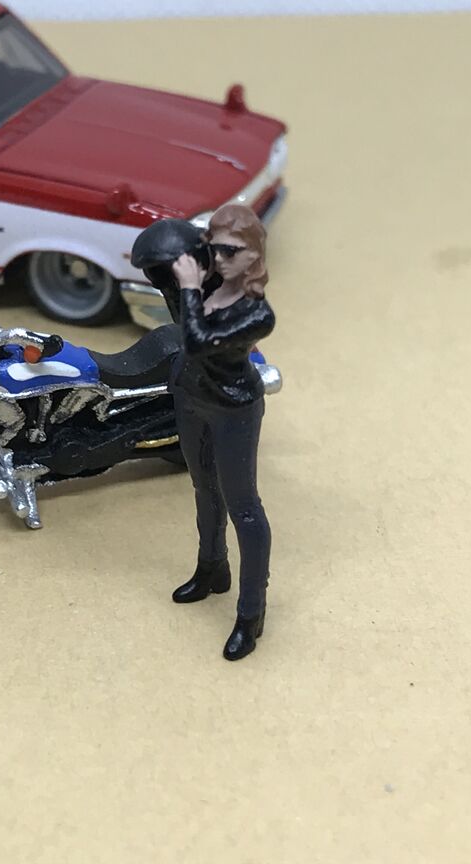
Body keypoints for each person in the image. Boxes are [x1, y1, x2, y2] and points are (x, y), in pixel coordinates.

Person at [168, 204, 275, 660]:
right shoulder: (208, 284)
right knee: (202, 488)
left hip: (233, 409)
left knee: (243, 507)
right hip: (192, 398)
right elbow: (178, 314)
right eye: (215, 249)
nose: (220, 259)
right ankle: (212, 567)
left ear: (254, 256)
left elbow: (197, 340)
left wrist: (190, 287)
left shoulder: (257, 313)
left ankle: (251, 613)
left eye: (232, 251)